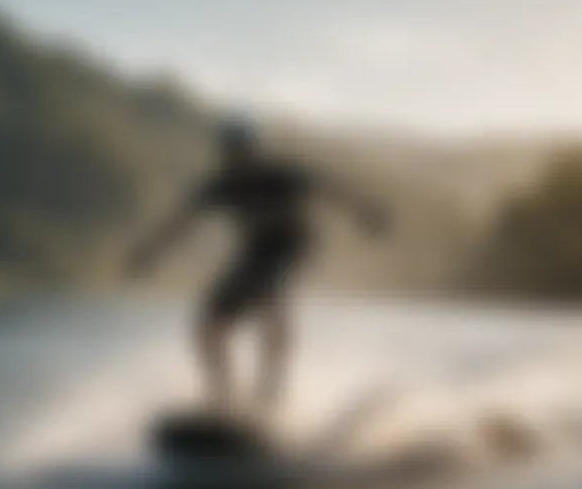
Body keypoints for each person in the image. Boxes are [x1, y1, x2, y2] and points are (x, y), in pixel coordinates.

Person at [125, 118, 391, 415]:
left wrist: (365, 211)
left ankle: (271, 388)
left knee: (270, 294)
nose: (239, 160)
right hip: (255, 251)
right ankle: (222, 396)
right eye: (232, 154)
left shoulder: (281, 175)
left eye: (244, 152)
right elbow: (180, 223)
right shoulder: (220, 186)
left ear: (254, 151)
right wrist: (148, 252)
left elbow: (330, 188)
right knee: (208, 323)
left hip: (293, 245)